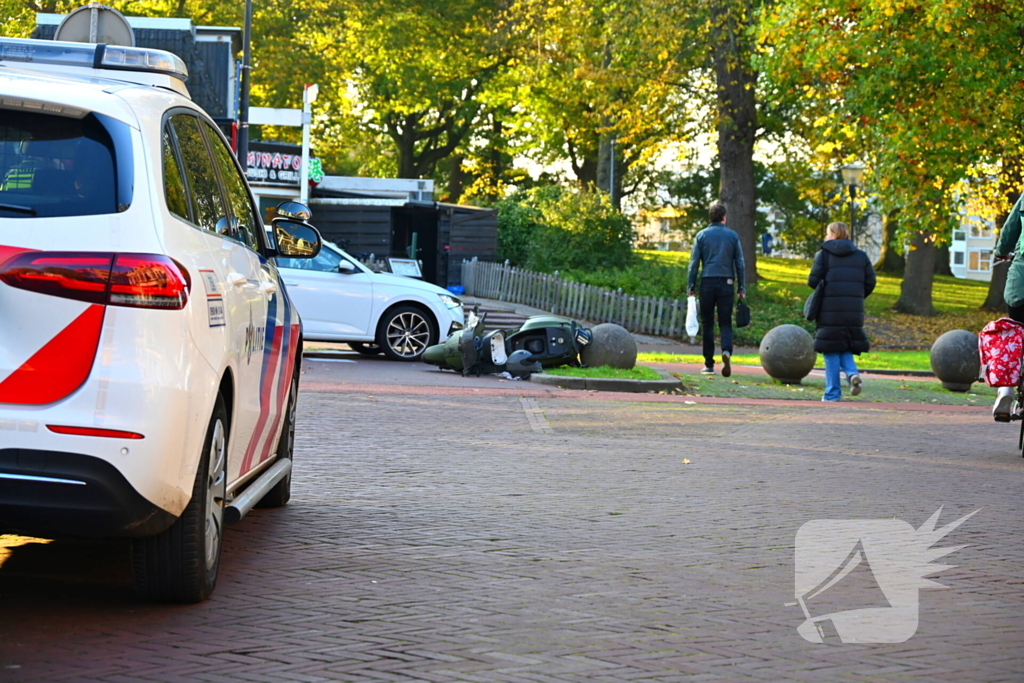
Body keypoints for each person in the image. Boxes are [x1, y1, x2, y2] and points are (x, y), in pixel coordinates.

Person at [807, 222, 876, 401]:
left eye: (828, 233)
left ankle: (832, 393)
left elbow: (813, 281)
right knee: (846, 343)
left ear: (834, 235)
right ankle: (852, 374)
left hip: (830, 308)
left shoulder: (824, 254)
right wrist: (857, 296)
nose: (826, 237)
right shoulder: (861, 256)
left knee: (830, 349)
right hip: (853, 309)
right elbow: (871, 281)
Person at [687, 202, 746, 376]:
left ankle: (709, 364)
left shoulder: (701, 235)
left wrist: (691, 285)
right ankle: (726, 351)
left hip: (707, 281)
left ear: (710, 218)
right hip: (727, 281)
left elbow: (693, 264)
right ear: (724, 217)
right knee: (725, 322)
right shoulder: (733, 236)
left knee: (708, 324)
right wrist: (741, 286)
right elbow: (740, 263)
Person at [991, 192, 1024, 420]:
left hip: (1021, 286)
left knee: (1014, 331)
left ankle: (1006, 388)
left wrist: (1001, 252)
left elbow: (1010, 229)